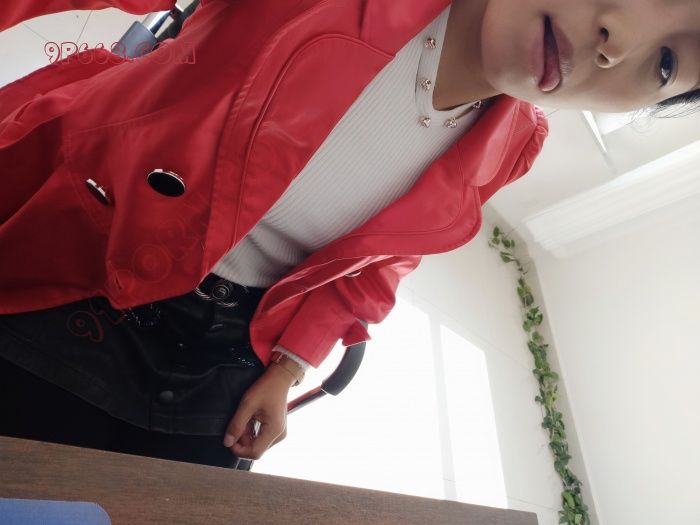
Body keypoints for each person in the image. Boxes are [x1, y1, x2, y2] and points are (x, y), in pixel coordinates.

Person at [0, 0, 698, 469]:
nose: (620, 42)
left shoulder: (513, 145)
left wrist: (289, 367)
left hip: (225, 351)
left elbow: (381, 264)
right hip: (83, 250)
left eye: (667, 64)